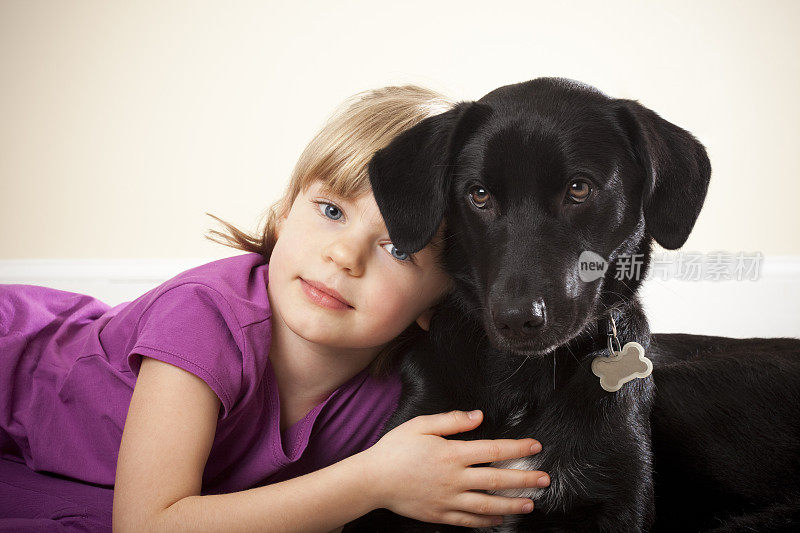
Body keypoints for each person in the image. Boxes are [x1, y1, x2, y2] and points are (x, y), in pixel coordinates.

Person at [0, 85, 550, 532]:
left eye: (398, 248)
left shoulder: (397, 389)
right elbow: (147, 524)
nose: (343, 255)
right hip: (16, 359)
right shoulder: (204, 317)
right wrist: (371, 481)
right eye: (331, 210)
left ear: (443, 299)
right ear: (286, 211)